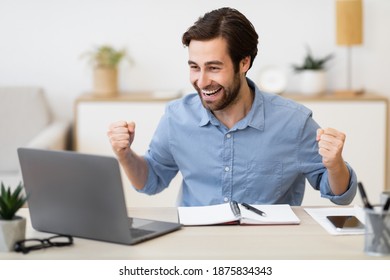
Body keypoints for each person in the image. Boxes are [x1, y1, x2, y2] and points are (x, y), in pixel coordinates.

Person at [107, 7, 357, 206]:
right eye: (195, 67)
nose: (202, 81)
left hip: (269, 251)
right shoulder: (177, 117)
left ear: (244, 63)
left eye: (214, 67)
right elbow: (151, 181)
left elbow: (340, 194)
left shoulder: (293, 122)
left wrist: (335, 165)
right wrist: (125, 155)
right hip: (196, 249)